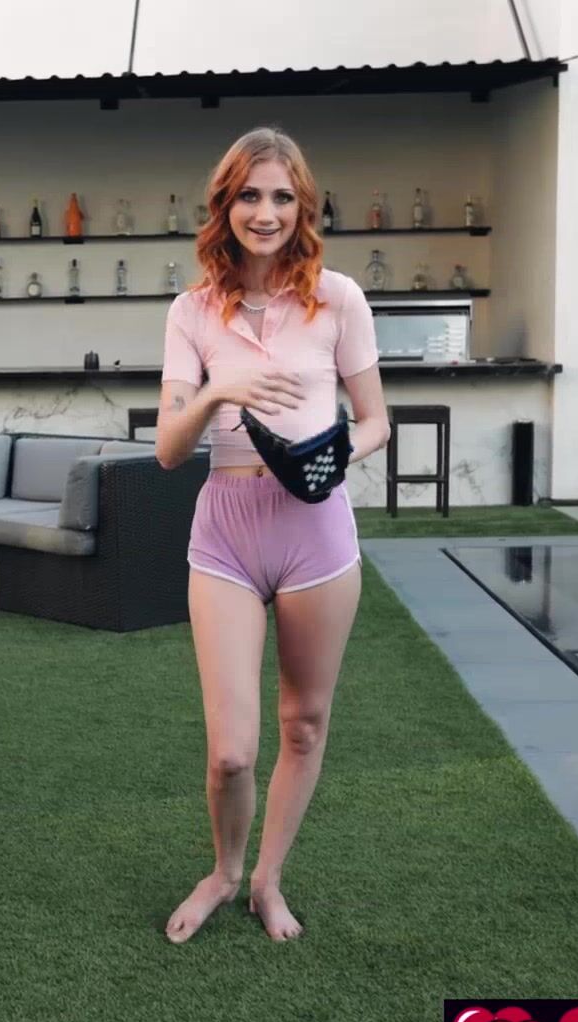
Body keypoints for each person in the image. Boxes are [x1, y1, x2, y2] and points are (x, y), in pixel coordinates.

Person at [155, 127, 389, 944]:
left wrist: (330, 458)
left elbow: (376, 421)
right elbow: (168, 449)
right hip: (225, 529)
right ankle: (222, 871)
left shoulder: (339, 299)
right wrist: (218, 390)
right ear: (225, 205)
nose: (267, 213)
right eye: (250, 196)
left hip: (315, 528)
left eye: (283, 197)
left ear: (303, 206)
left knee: (304, 723)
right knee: (231, 751)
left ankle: (266, 879)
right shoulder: (191, 312)